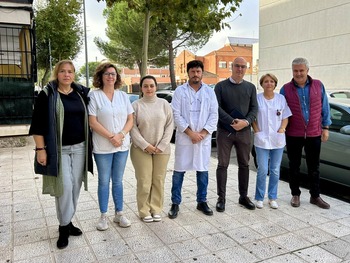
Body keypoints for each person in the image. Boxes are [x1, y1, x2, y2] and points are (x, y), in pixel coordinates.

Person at [29, 60, 93, 249]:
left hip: (80, 147)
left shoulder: (81, 93)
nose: (67, 75)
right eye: (63, 71)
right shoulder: (47, 95)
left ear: (74, 74)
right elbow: (37, 125)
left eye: (70, 72)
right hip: (58, 150)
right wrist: (41, 150)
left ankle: (68, 221)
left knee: (75, 186)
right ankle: (64, 227)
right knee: (64, 187)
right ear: (57, 73)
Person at [168, 60, 218, 219]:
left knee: (202, 170)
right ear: (188, 73)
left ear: (202, 73)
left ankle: (201, 201)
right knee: (179, 171)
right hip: (185, 137)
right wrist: (190, 133)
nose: (195, 74)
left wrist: (202, 133)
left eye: (198, 71)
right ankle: (175, 203)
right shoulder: (179, 91)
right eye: (192, 72)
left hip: (203, 139)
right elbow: (175, 114)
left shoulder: (210, 92)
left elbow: (214, 114)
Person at [280, 57, 331, 209]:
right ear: (292, 71)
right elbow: (281, 111)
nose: (299, 73)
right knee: (294, 166)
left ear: (307, 70)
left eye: (301, 70)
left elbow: (325, 107)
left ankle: (315, 196)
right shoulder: (285, 89)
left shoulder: (318, 85)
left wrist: (326, 127)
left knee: (314, 167)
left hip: (314, 133)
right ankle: (295, 194)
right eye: (295, 71)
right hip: (293, 134)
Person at [88, 62, 133, 230]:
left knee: (118, 181)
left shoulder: (123, 96)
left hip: (121, 146)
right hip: (102, 147)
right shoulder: (94, 96)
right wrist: (111, 136)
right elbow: (92, 121)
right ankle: (103, 216)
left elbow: (130, 119)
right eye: (107, 74)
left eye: (113, 74)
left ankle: (119, 213)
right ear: (101, 77)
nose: (110, 76)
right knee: (104, 181)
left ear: (117, 77)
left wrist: (120, 135)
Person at [215, 57, 258, 212]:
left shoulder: (251, 87)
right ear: (231, 67)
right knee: (222, 164)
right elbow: (217, 108)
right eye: (237, 66)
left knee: (245, 164)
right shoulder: (220, 87)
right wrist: (233, 121)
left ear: (246, 69)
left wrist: (246, 122)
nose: (240, 69)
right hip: (225, 131)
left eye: (243, 67)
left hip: (244, 132)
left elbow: (254, 109)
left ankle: (243, 196)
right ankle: (221, 198)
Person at [130, 75, 174, 223]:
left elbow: (170, 125)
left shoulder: (164, 104)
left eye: (151, 85)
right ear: (141, 88)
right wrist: (145, 145)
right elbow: (132, 128)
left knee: (158, 180)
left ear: (156, 87)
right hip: (141, 149)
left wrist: (161, 145)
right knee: (144, 180)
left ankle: (156, 209)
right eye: (145, 86)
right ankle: (144, 210)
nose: (149, 88)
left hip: (162, 149)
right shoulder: (136, 105)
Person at [252, 73, 292, 209]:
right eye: (266, 81)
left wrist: (282, 128)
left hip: (277, 139)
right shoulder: (257, 99)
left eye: (271, 81)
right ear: (261, 84)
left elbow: (285, 116)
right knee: (262, 169)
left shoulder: (281, 99)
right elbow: (253, 118)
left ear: (275, 84)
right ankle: (259, 197)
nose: (269, 84)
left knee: (275, 170)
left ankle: (272, 197)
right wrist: (257, 131)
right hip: (262, 139)